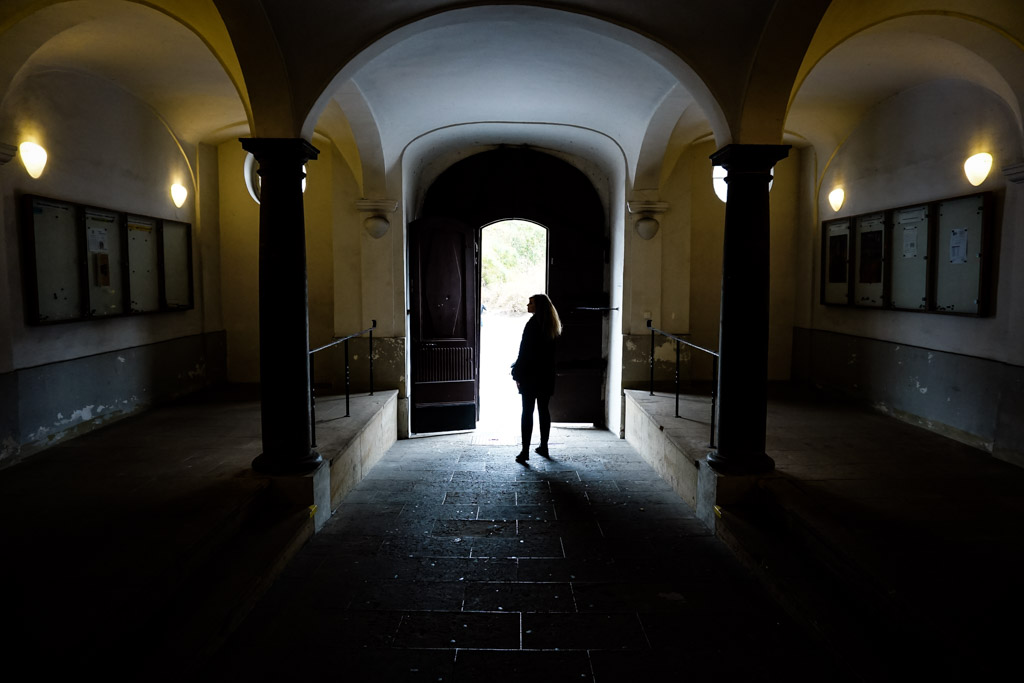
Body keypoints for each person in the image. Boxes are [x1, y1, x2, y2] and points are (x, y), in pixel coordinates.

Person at [510, 293, 562, 463]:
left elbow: (524, 352)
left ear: (538, 306)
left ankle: (525, 451)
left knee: (527, 412)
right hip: (546, 375)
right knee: (543, 410)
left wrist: (516, 373)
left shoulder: (532, 325)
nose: (527, 305)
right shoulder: (552, 326)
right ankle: (544, 446)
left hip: (530, 376)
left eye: (530, 303)